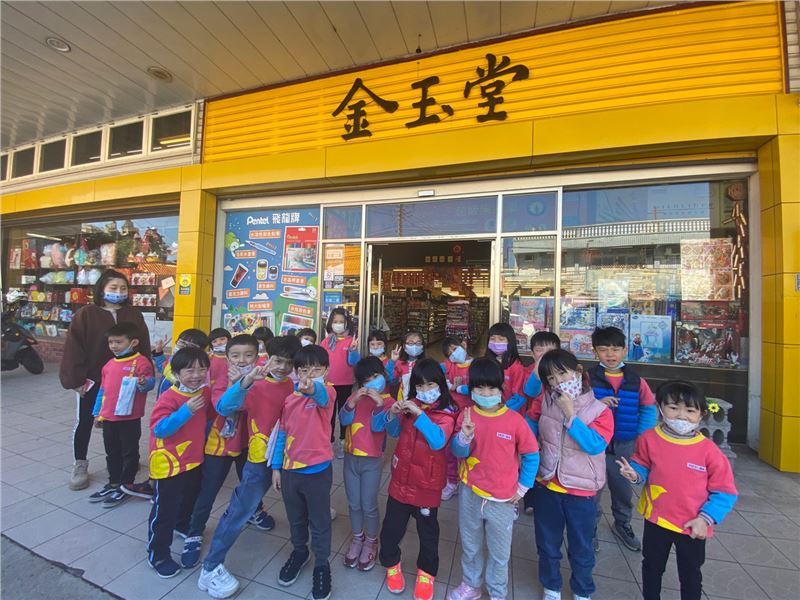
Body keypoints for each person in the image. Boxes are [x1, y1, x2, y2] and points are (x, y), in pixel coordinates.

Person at [196, 335, 300, 598]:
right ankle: (210, 566)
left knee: (299, 508)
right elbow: (224, 406)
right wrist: (244, 382)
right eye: (278, 361)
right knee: (240, 510)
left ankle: (300, 553)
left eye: (289, 363)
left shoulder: (292, 384)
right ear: (267, 357)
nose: (282, 367)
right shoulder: (256, 383)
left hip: (288, 457)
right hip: (259, 459)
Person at [617, 380, 737, 600]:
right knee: (652, 567)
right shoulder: (649, 438)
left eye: (690, 410)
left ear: (701, 414)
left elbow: (725, 492)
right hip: (656, 519)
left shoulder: (709, 451)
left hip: (692, 524)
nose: (681, 416)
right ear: (661, 408)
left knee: (690, 574)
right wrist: (634, 474)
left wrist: (705, 519)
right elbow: (642, 464)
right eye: (673, 408)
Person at [449, 357, 539, 600]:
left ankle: (498, 592)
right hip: (469, 492)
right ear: (471, 389)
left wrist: (522, 488)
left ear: (501, 389)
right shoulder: (466, 416)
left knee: (500, 552)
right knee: (470, 544)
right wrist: (464, 437)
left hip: (502, 499)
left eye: (491, 388)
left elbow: (531, 455)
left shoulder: (515, 420)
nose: (486, 393)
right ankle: (471, 584)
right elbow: (458, 452)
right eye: (479, 388)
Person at [529, 349, 614, 600]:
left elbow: (594, 445)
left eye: (562, 374)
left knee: (582, 546)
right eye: (551, 378)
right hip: (547, 485)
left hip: (581, 492)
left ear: (578, 372)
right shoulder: (545, 401)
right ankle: (551, 586)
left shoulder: (600, 410)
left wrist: (570, 415)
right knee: (547, 543)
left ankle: (582, 589)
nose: (557, 382)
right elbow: (529, 428)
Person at [60, 268, 152, 491]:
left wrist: (146, 373)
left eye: (123, 288)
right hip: (93, 380)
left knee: (127, 423)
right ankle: (80, 463)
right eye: (113, 287)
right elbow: (74, 347)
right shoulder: (86, 314)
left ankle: (127, 463)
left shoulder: (133, 314)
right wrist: (76, 379)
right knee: (85, 421)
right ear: (102, 289)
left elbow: (143, 344)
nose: (118, 292)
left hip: (127, 381)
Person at [374, 358, 457, 600]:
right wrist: (392, 413)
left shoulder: (447, 414)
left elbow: (438, 441)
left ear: (441, 385)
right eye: (419, 386)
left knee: (428, 534)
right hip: (400, 482)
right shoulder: (409, 408)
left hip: (427, 487)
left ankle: (426, 573)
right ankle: (392, 565)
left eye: (430, 384)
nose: (425, 390)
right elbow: (393, 433)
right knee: (391, 529)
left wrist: (420, 414)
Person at [270, 344, 337, 600]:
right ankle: (300, 552)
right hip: (290, 472)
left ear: (326, 371)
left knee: (319, 521)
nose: (309, 375)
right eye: (304, 370)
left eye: (316, 369)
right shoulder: (289, 400)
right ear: (296, 372)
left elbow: (320, 395)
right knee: (296, 518)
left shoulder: (327, 392)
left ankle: (321, 563)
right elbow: (282, 433)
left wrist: (311, 389)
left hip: (318, 472)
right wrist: (276, 467)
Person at [589, 326, 657, 552]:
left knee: (622, 488)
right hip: (595, 443)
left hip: (625, 444)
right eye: (603, 349)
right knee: (592, 490)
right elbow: (578, 406)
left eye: (615, 349)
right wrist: (598, 404)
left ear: (625, 350)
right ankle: (590, 529)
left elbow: (648, 408)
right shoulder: (588, 378)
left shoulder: (636, 380)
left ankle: (622, 523)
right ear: (594, 352)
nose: (610, 354)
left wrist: (641, 437)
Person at [146, 347, 210, 578]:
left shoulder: (204, 392)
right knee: (165, 510)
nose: (196, 375)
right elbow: (160, 429)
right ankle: (158, 554)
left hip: (194, 460)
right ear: (176, 373)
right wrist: (186, 411)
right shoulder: (169, 397)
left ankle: (182, 524)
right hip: (169, 464)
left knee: (188, 500)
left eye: (202, 369)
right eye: (189, 370)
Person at [89, 322, 156, 507]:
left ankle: (126, 485)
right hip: (108, 417)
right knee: (112, 452)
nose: (113, 346)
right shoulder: (109, 365)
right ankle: (113, 482)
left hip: (129, 418)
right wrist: (97, 413)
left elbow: (149, 383)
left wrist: (144, 383)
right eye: (111, 342)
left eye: (118, 342)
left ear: (133, 342)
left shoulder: (141, 362)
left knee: (129, 452)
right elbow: (102, 391)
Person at [339, 357, 394, 572]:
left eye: (375, 376)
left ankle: (371, 541)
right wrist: (351, 402)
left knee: (368, 504)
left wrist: (379, 405)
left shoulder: (388, 401)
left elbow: (380, 428)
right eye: (366, 379)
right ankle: (357, 538)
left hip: (372, 460)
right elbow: (344, 421)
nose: (372, 382)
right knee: (354, 503)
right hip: (350, 458)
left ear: (384, 375)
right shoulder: (355, 397)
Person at [522, 331, 561, 514]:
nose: (545, 354)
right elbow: (529, 392)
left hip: (554, 423)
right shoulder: (529, 370)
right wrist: (537, 373)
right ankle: (529, 498)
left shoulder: (563, 370)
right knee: (531, 458)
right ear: (532, 353)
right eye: (539, 350)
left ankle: (547, 495)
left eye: (550, 349)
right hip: (533, 420)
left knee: (550, 458)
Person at [321, 307, 359, 459]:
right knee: (329, 415)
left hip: (345, 384)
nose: (338, 324)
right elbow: (321, 362)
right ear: (330, 323)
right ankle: (328, 442)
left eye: (341, 321)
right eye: (335, 321)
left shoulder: (351, 341)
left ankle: (343, 441)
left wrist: (353, 351)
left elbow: (353, 362)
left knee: (343, 414)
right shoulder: (326, 341)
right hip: (328, 384)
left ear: (347, 323)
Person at [440, 335, 473, 501]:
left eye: (454, 349)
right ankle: (452, 480)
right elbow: (437, 374)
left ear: (464, 345)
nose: (453, 354)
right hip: (452, 411)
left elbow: (479, 386)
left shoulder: (476, 365)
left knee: (470, 448)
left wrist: (459, 388)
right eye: (449, 353)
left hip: (471, 413)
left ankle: (468, 479)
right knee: (450, 448)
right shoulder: (449, 365)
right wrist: (449, 385)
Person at [154, 328, 210, 398]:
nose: (183, 347)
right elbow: (164, 370)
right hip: (162, 399)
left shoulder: (198, 369)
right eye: (182, 342)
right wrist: (158, 352)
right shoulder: (173, 358)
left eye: (191, 346)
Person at [485, 323, 527, 412]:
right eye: (492, 338)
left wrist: (502, 410)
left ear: (510, 341)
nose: (496, 342)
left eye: (501, 339)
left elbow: (518, 398)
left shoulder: (516, 367)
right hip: (488, 410)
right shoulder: (486, 363)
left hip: (508, 412)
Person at [386, 330, 426, 402]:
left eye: (418, 343)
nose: (414, 346)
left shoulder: (426, 363)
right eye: (410, 343)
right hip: (404, 400)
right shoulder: (399, 363)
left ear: (422, 346)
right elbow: (391, 380)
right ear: (404, 346)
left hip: (422, 400)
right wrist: (392, 362)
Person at [207, 327, 232, 401]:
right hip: (213, 393)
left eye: (222, 339)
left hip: (231, 390)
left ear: (229, 340)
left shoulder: (235, 358)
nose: (219, 343)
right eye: (214, 341)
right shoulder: (208, 358)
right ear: (211, 345)